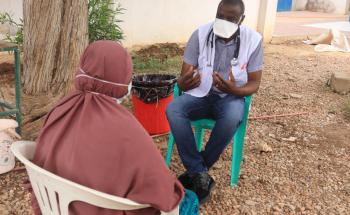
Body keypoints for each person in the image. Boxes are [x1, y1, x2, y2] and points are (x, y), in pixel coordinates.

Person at [28, 41, 188, 215]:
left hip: (53, 209)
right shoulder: (129, 131)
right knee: (189, 201)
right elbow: (163, 192)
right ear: (122, 77)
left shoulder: (58, 111)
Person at [166, 0, 263, 204]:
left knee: (232, 117)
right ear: (216, 13)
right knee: (174, 109)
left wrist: (234, 89)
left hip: (230, 97)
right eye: (221, 16)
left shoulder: (253, 40)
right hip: (201, 95)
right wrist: (183, 83)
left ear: (241, 20)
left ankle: (195, 171)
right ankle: (199, 172)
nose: (224, 21)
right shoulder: (200, 34)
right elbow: (184, 78)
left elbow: (254, 83)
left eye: (231, 19)